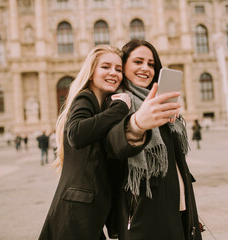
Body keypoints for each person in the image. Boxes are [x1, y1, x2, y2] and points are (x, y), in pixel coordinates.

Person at [105, 40, 203, 240]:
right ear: (124, 66)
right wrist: (137, 124)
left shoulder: (162, 102)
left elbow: (177, 162)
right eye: (138, 62)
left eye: (151, 64)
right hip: (142, 214)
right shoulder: (118, 102)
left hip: (179, 206)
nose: (145, 68)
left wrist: (191, 213)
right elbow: (114, 145)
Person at [39, 45, 131, 240]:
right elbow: (77, 134)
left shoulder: (98, 106)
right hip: (76, 210)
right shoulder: (85, 98)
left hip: (86, 211)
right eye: (105, 67)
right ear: (91, 72)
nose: (113, 73)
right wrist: (120, 108)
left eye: (118, 69)